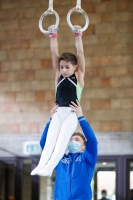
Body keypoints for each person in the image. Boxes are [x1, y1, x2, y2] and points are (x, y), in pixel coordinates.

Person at [31, 24, 85, 176]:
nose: (63, 70)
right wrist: (53, 34)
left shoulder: (79, 77)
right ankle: (41, 165)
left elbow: (80, 52)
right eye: (61, 67)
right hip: (57, 113)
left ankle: (49, 169)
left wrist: (77, 35)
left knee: (62, 141)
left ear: (75, 67)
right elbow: (54, 52)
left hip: (71, 114)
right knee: (50, 141)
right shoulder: (58, 76)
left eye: (67, 67)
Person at [39, 101, 98, 200]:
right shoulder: (59, 159)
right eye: (70, 140)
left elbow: (92, 141)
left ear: (84, 147)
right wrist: (52, 120)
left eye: (77, 140)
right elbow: (44, 144)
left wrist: (81, 117)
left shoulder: (87, 159)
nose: (72, 141)